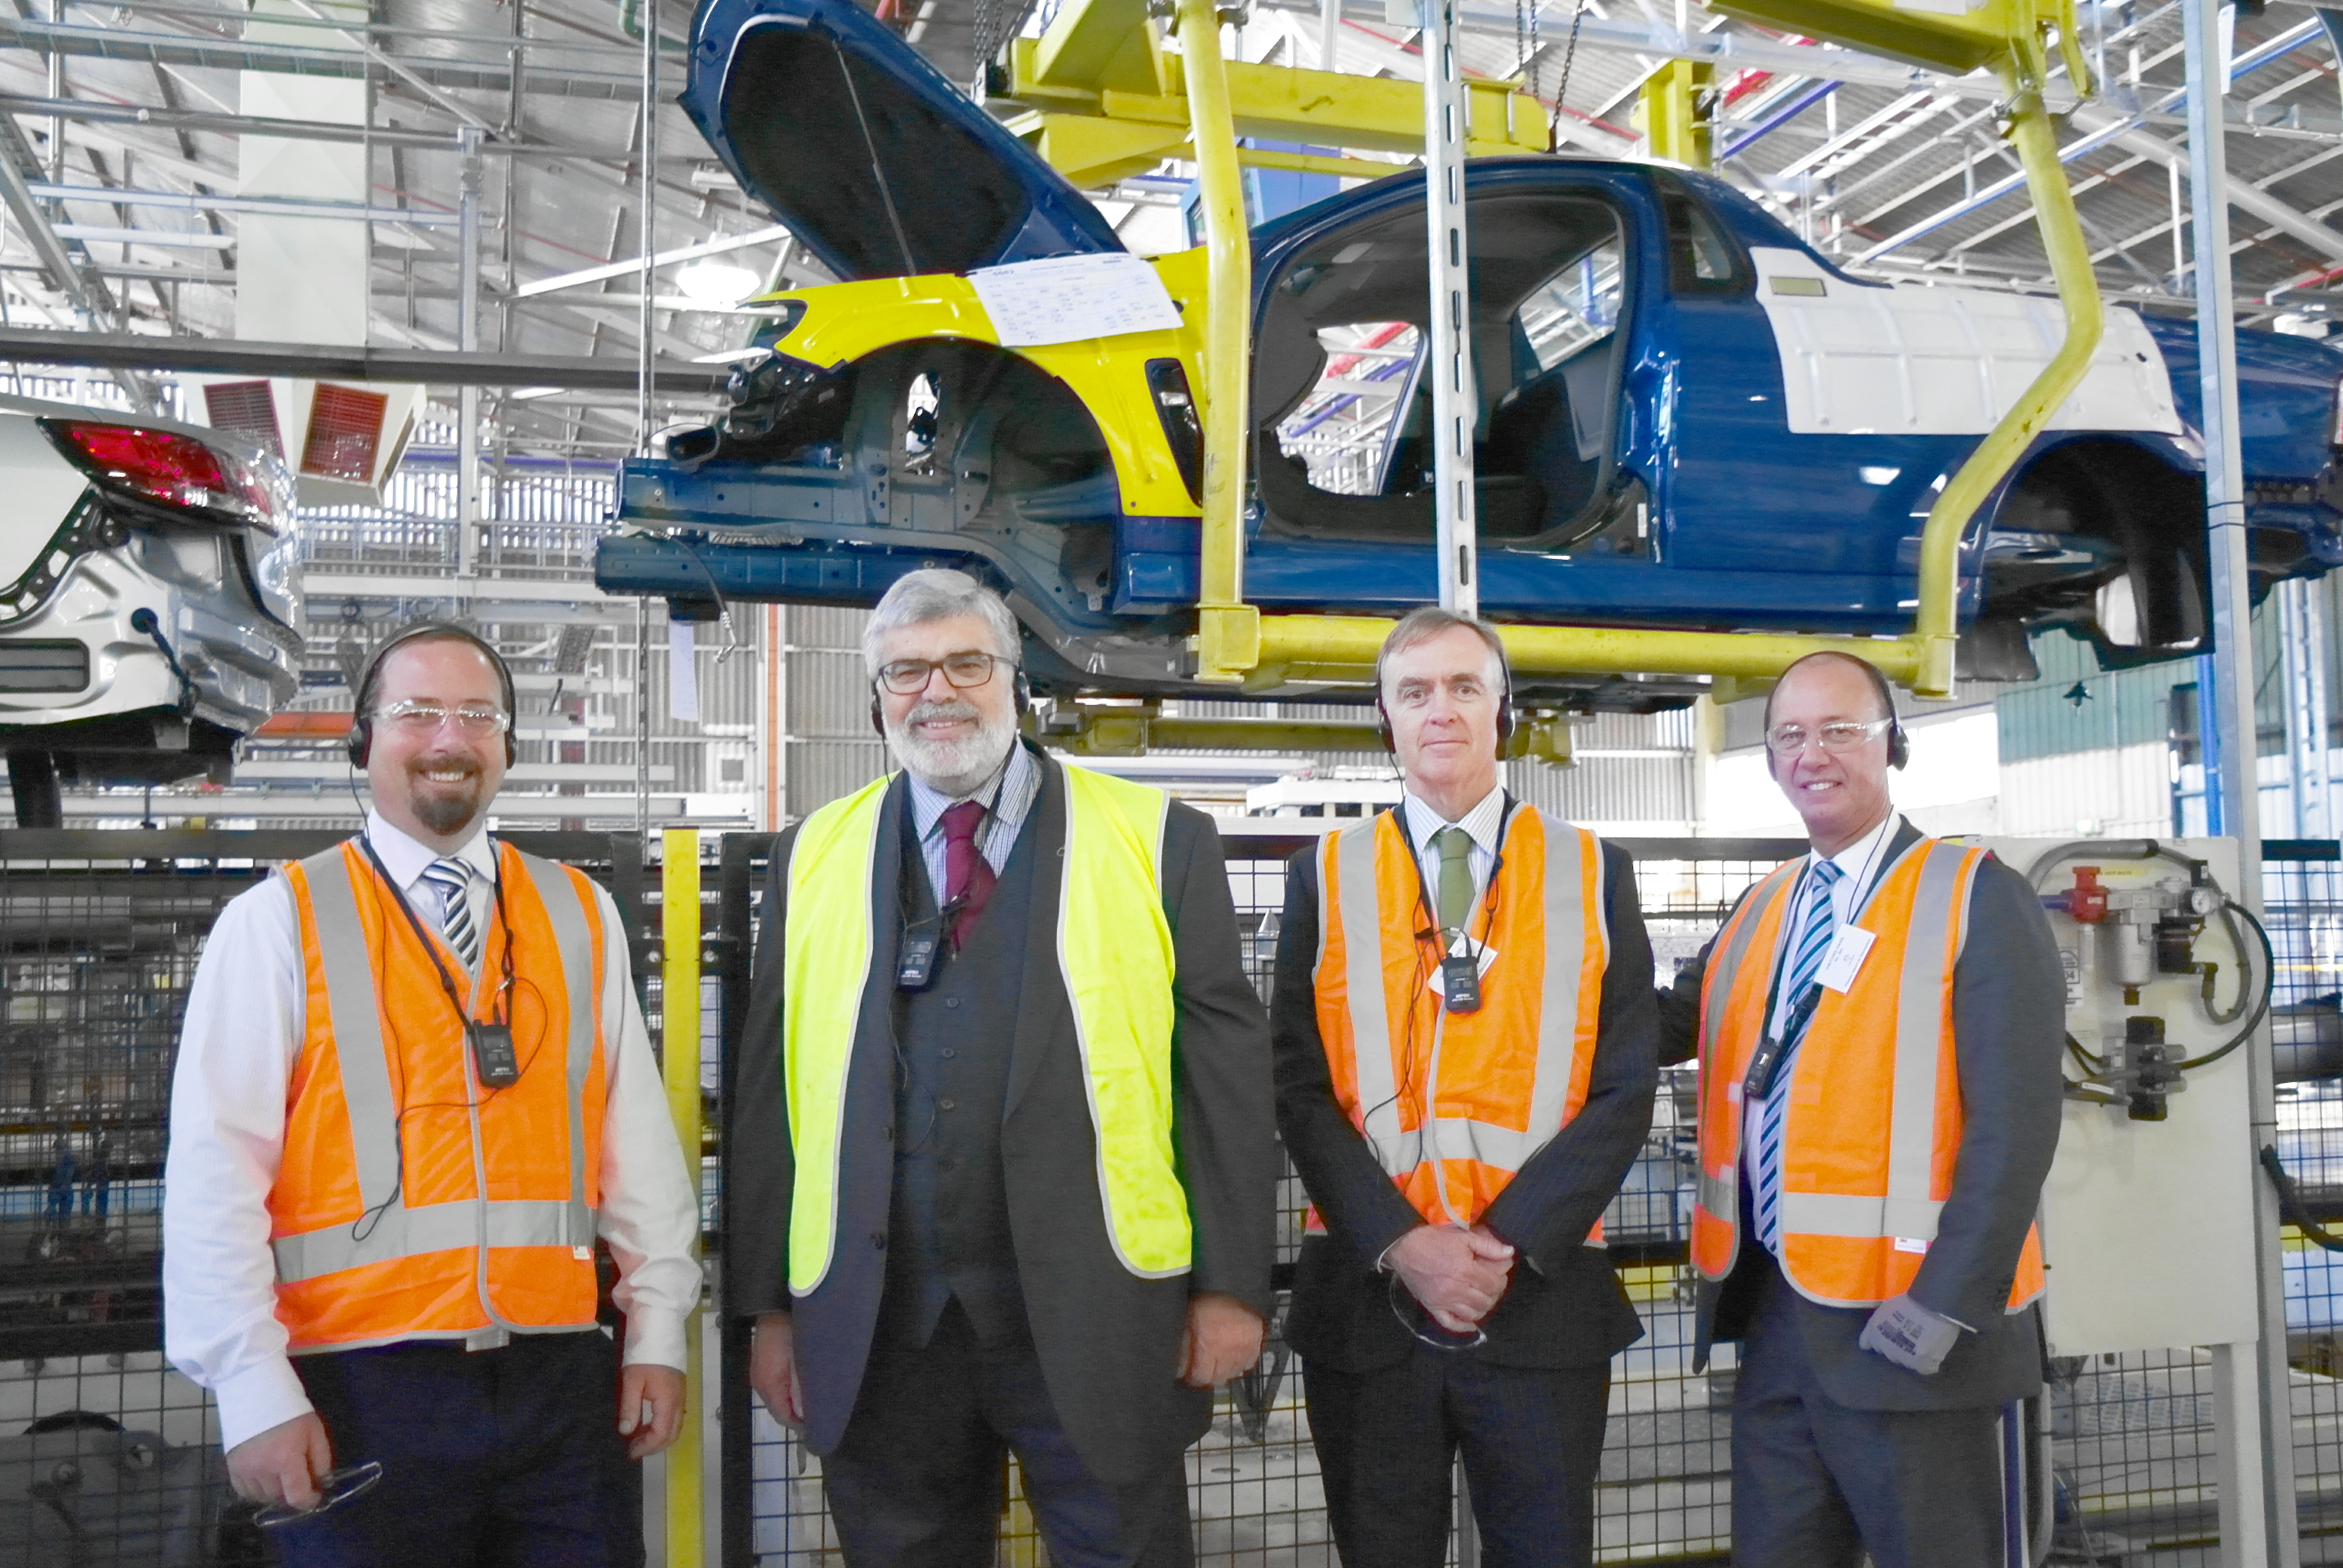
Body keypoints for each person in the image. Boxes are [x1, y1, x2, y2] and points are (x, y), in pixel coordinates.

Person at [732, 569, 1277, 1568]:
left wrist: (1231, 1288)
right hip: (881, 1321)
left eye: (966, 664)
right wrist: (769, 1308)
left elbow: (1225, 1084)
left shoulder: (1163, 843)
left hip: (1101, 1311)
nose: (936, 692)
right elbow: (774, 1091)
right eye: (905, 673)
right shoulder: (812, 853)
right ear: (876, 698)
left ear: (1016, 682)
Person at [163, 620, 703, 1566]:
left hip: (562, 1389)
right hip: (356, 1393)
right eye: (417, 714)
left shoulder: (580, 912)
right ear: (364, 741)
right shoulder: (276, 924)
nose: (449, 739)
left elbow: (636, 1143)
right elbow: (217, 1174)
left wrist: (657, 1326)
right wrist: (251, 1387)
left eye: (476, 715)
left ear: (506, 745)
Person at [1656, 650, 2063, 1568]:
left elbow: (2016, 1126)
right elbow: (1660, 1027)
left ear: (1894, 746)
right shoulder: (1762, 908)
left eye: (1841, 730)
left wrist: (1945, 1304)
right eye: (1790, 735)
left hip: (1911, 1326)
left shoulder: (1974, 896)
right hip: (1775, 1317)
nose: (1814, 754)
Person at [1271, 607, 1658, 1568]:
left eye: (1462, 687)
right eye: (1414, 692)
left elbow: (1624, 1085)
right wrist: (1405, 1244)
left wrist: (1502, 1245)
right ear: (1385, 717)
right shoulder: (1324, 872)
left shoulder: (1592, 870)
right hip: (1369, 1302)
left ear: (1504, 713)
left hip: (1537, 1297)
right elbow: (1297, 1084)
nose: (1438, 710)